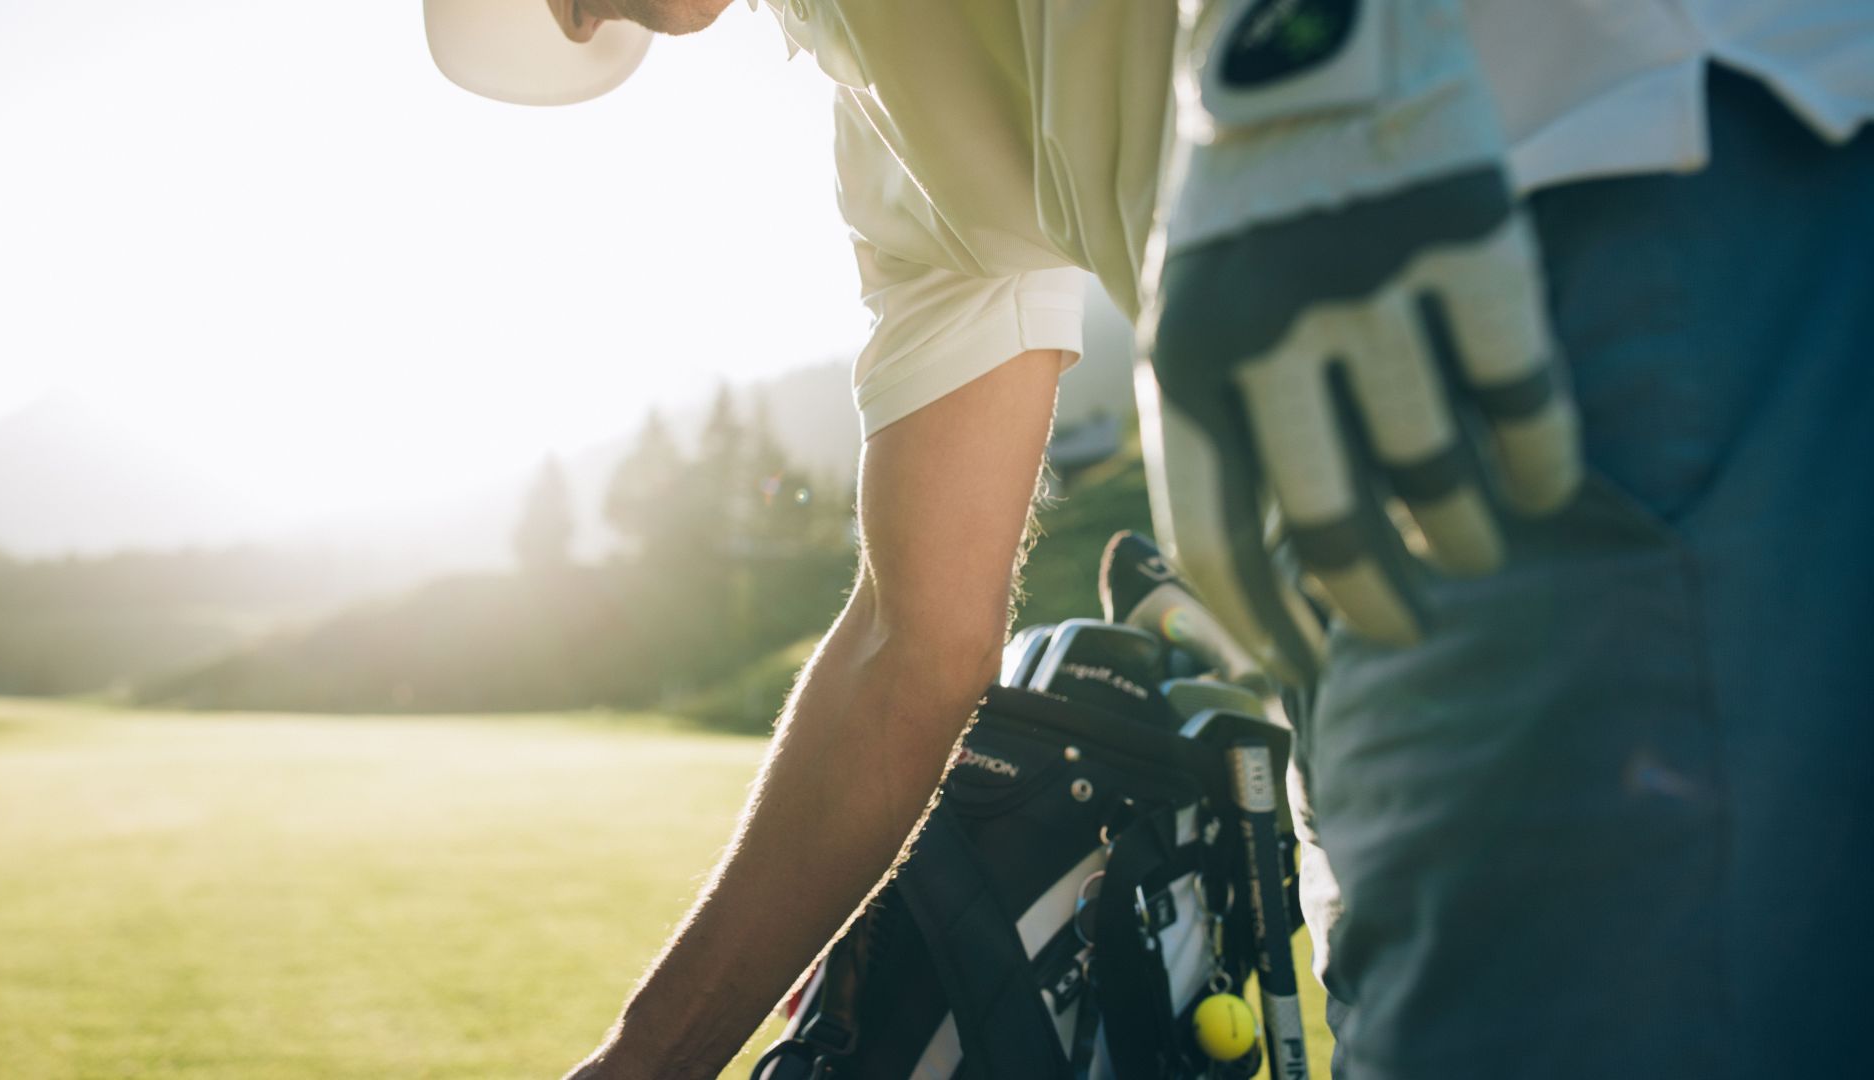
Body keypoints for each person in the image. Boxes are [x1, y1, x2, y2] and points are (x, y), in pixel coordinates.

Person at [422, 2, 1874, 1077]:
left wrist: (1305, 48)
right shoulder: (890, 137)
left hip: (1601, 186)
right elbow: (910, 645)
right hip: (1400, 446)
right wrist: (643, 1060)